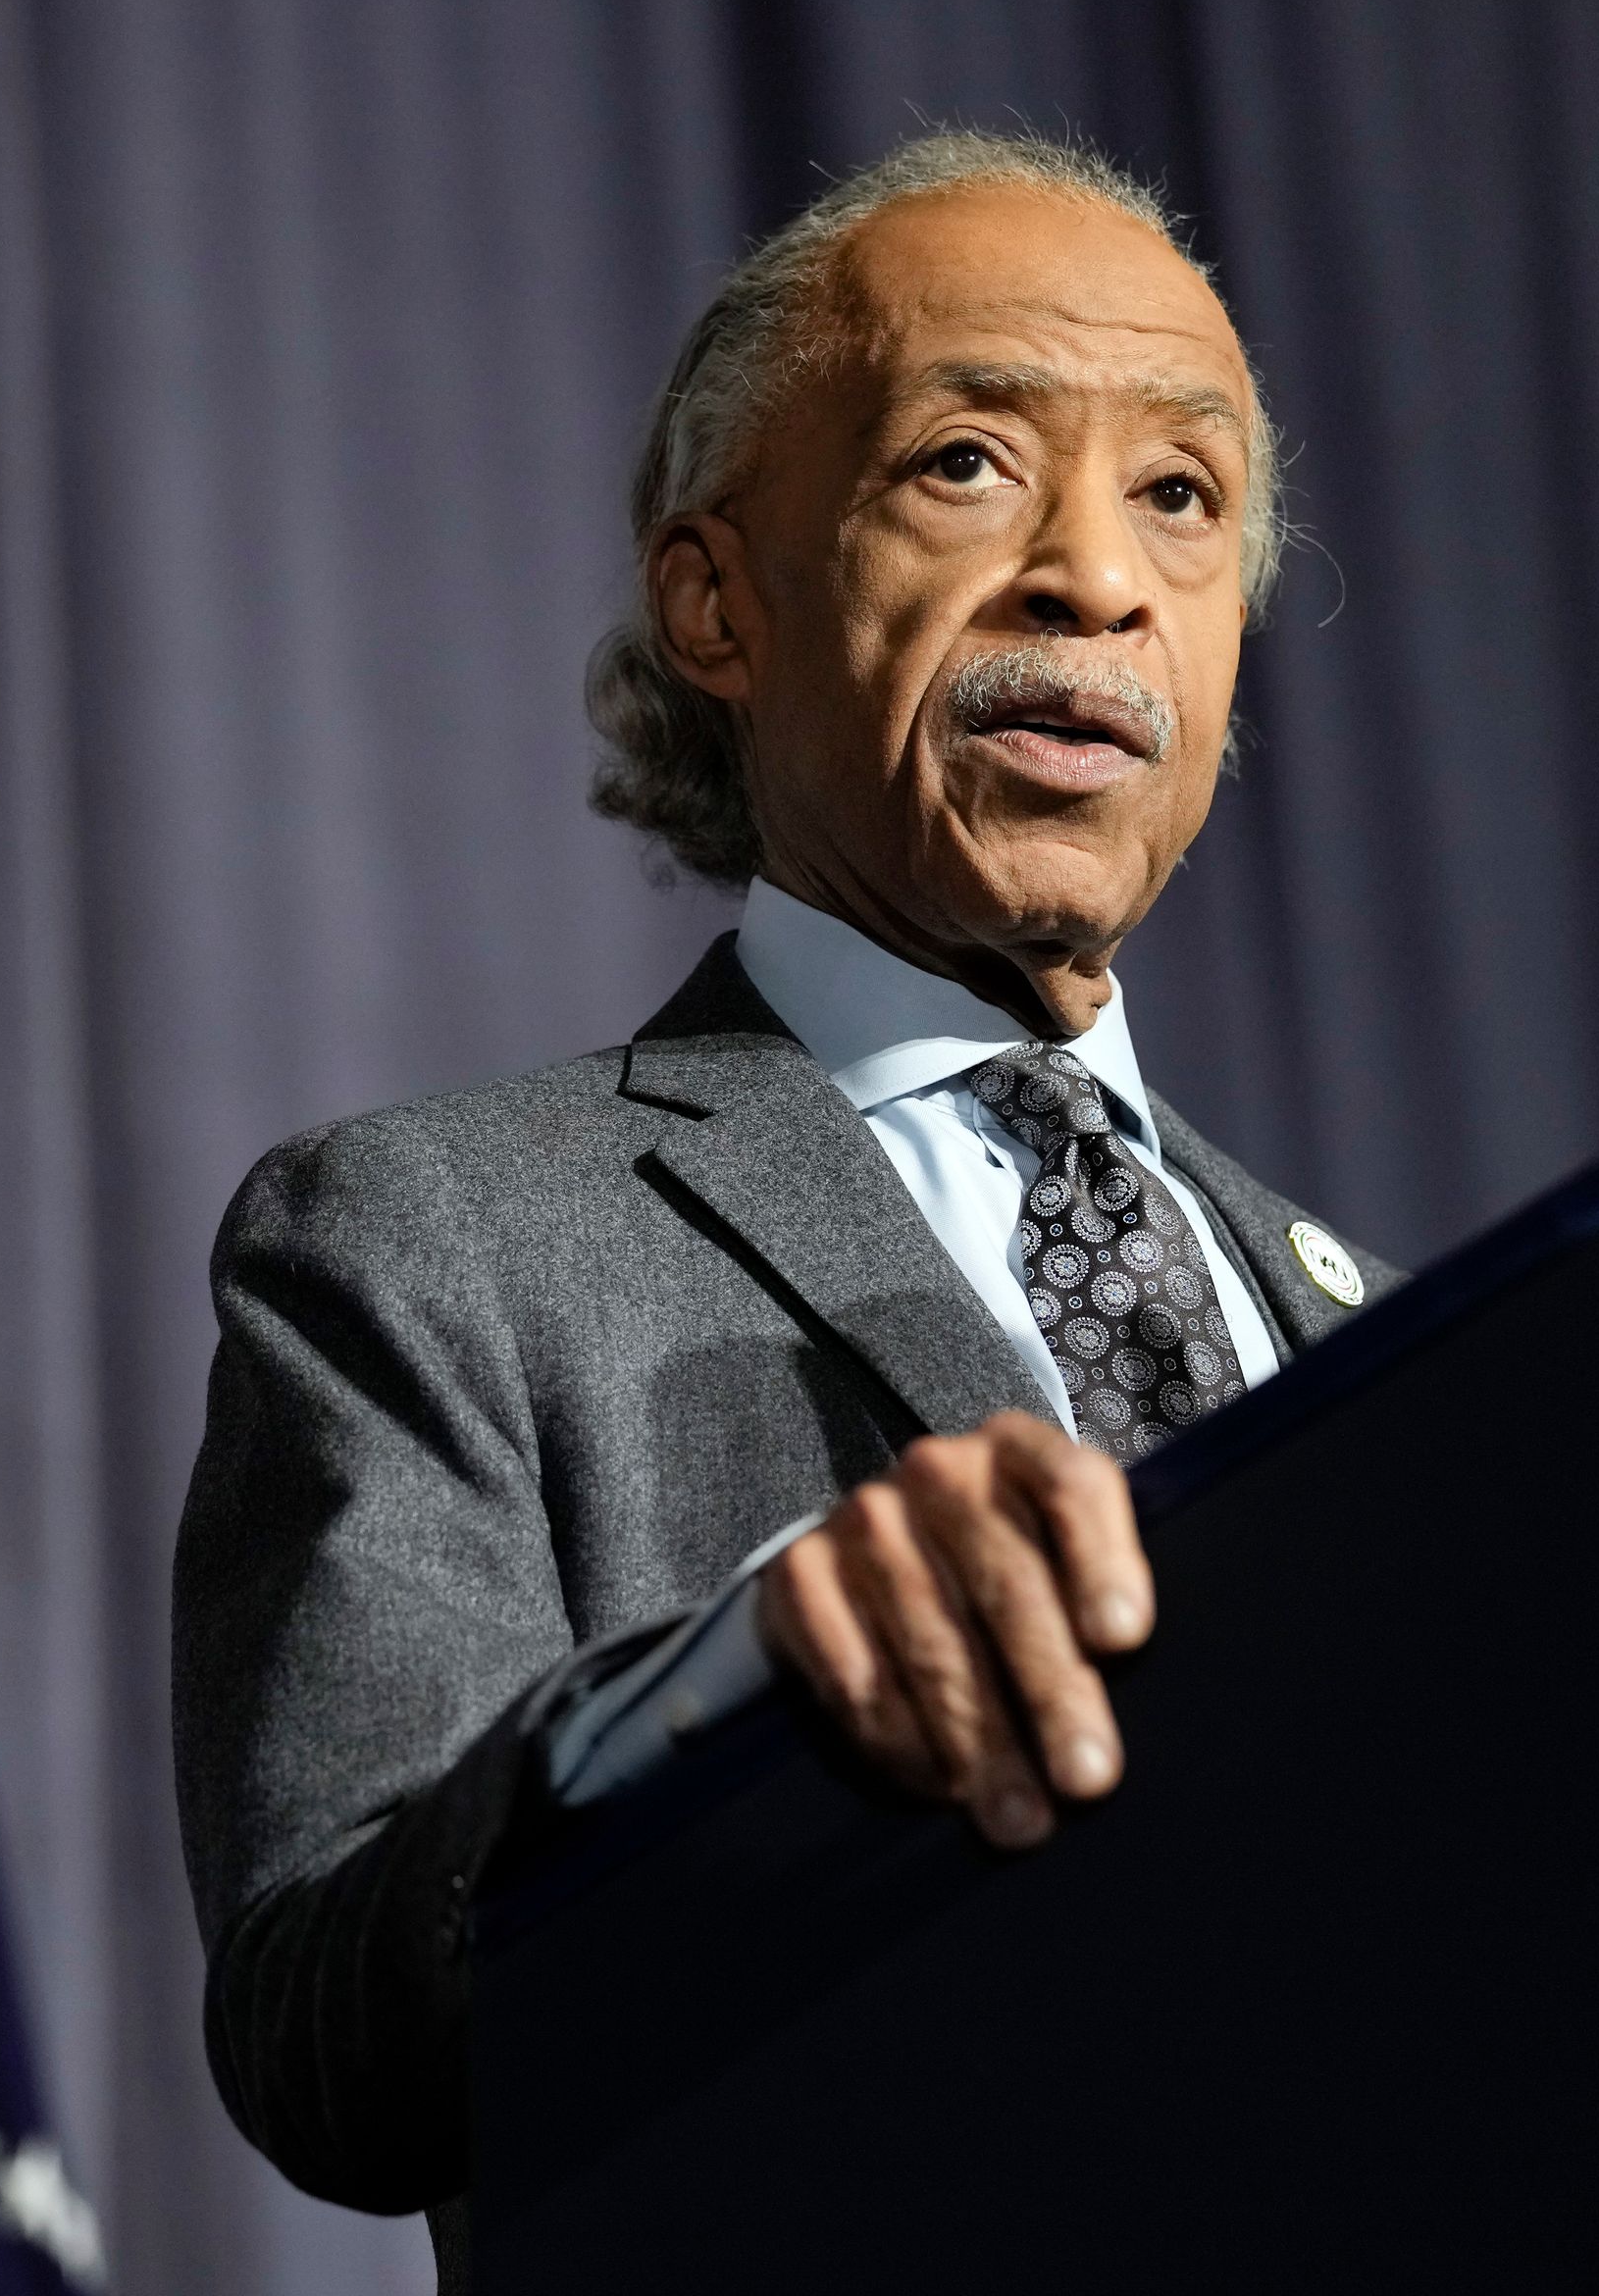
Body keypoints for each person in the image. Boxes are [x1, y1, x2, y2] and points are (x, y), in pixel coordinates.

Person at [169, 128, 1398, 2265]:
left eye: (1181, 498)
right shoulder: (435, 1233)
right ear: (717, 596)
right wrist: (728, 1698)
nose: (1095, 577)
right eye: (967, 464)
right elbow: (323, 2029)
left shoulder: (1384, 1334)